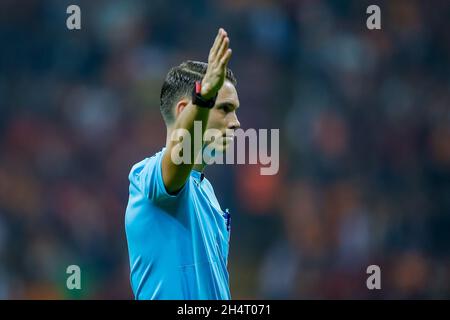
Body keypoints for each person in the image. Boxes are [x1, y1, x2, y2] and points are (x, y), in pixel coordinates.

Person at [124, 28, 240, 299]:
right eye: (223, 108)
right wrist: (204, 96)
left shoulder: (208, 193)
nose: (236, 122)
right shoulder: (144, 177)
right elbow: (179, 158)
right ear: (184, 110)